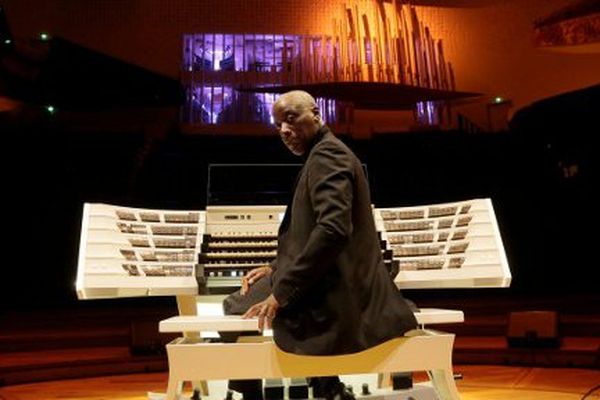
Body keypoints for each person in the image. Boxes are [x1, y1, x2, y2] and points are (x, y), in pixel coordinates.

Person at [222, 90, 418, 400]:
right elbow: (312, 233)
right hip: (328, 276)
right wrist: (274, 268)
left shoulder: (328, 156)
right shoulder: (322, 154)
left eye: (290, 119)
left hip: (337, 288)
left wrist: (281, 292)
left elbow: (333, 230)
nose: (284, 131)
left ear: (316, 114)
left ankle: (261, 393)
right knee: (240, 304)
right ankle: (328, 388)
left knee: (234, 309)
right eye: (277, 125)